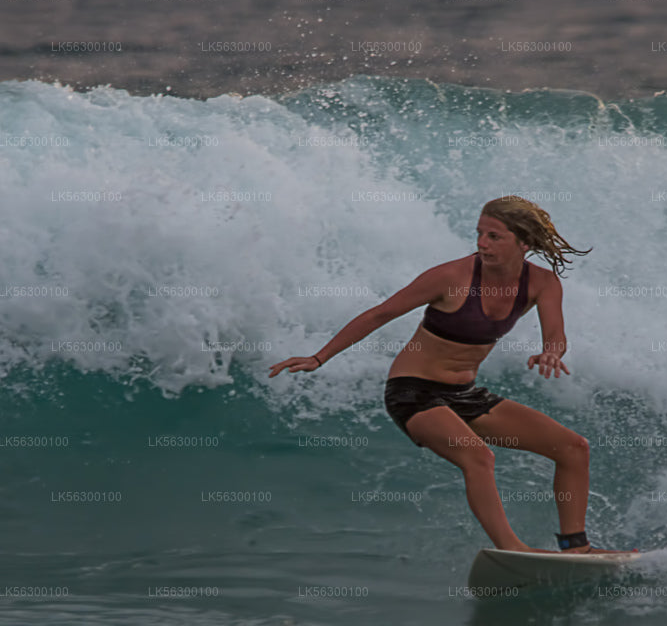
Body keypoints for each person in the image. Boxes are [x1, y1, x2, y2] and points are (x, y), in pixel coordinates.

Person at [269, 195, 629, 554]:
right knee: (479, 457)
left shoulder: (542, 283)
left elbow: (556, 336)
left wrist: (552, 352)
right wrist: (320, 357)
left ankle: (576, 547)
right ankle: (513, 549)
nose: (481, 244)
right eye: (480, 234)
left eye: (494, 236)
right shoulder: (450, 277)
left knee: (573, 448)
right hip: (414, 393)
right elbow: (379, 314)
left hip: (466, 395)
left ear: (524, 243)